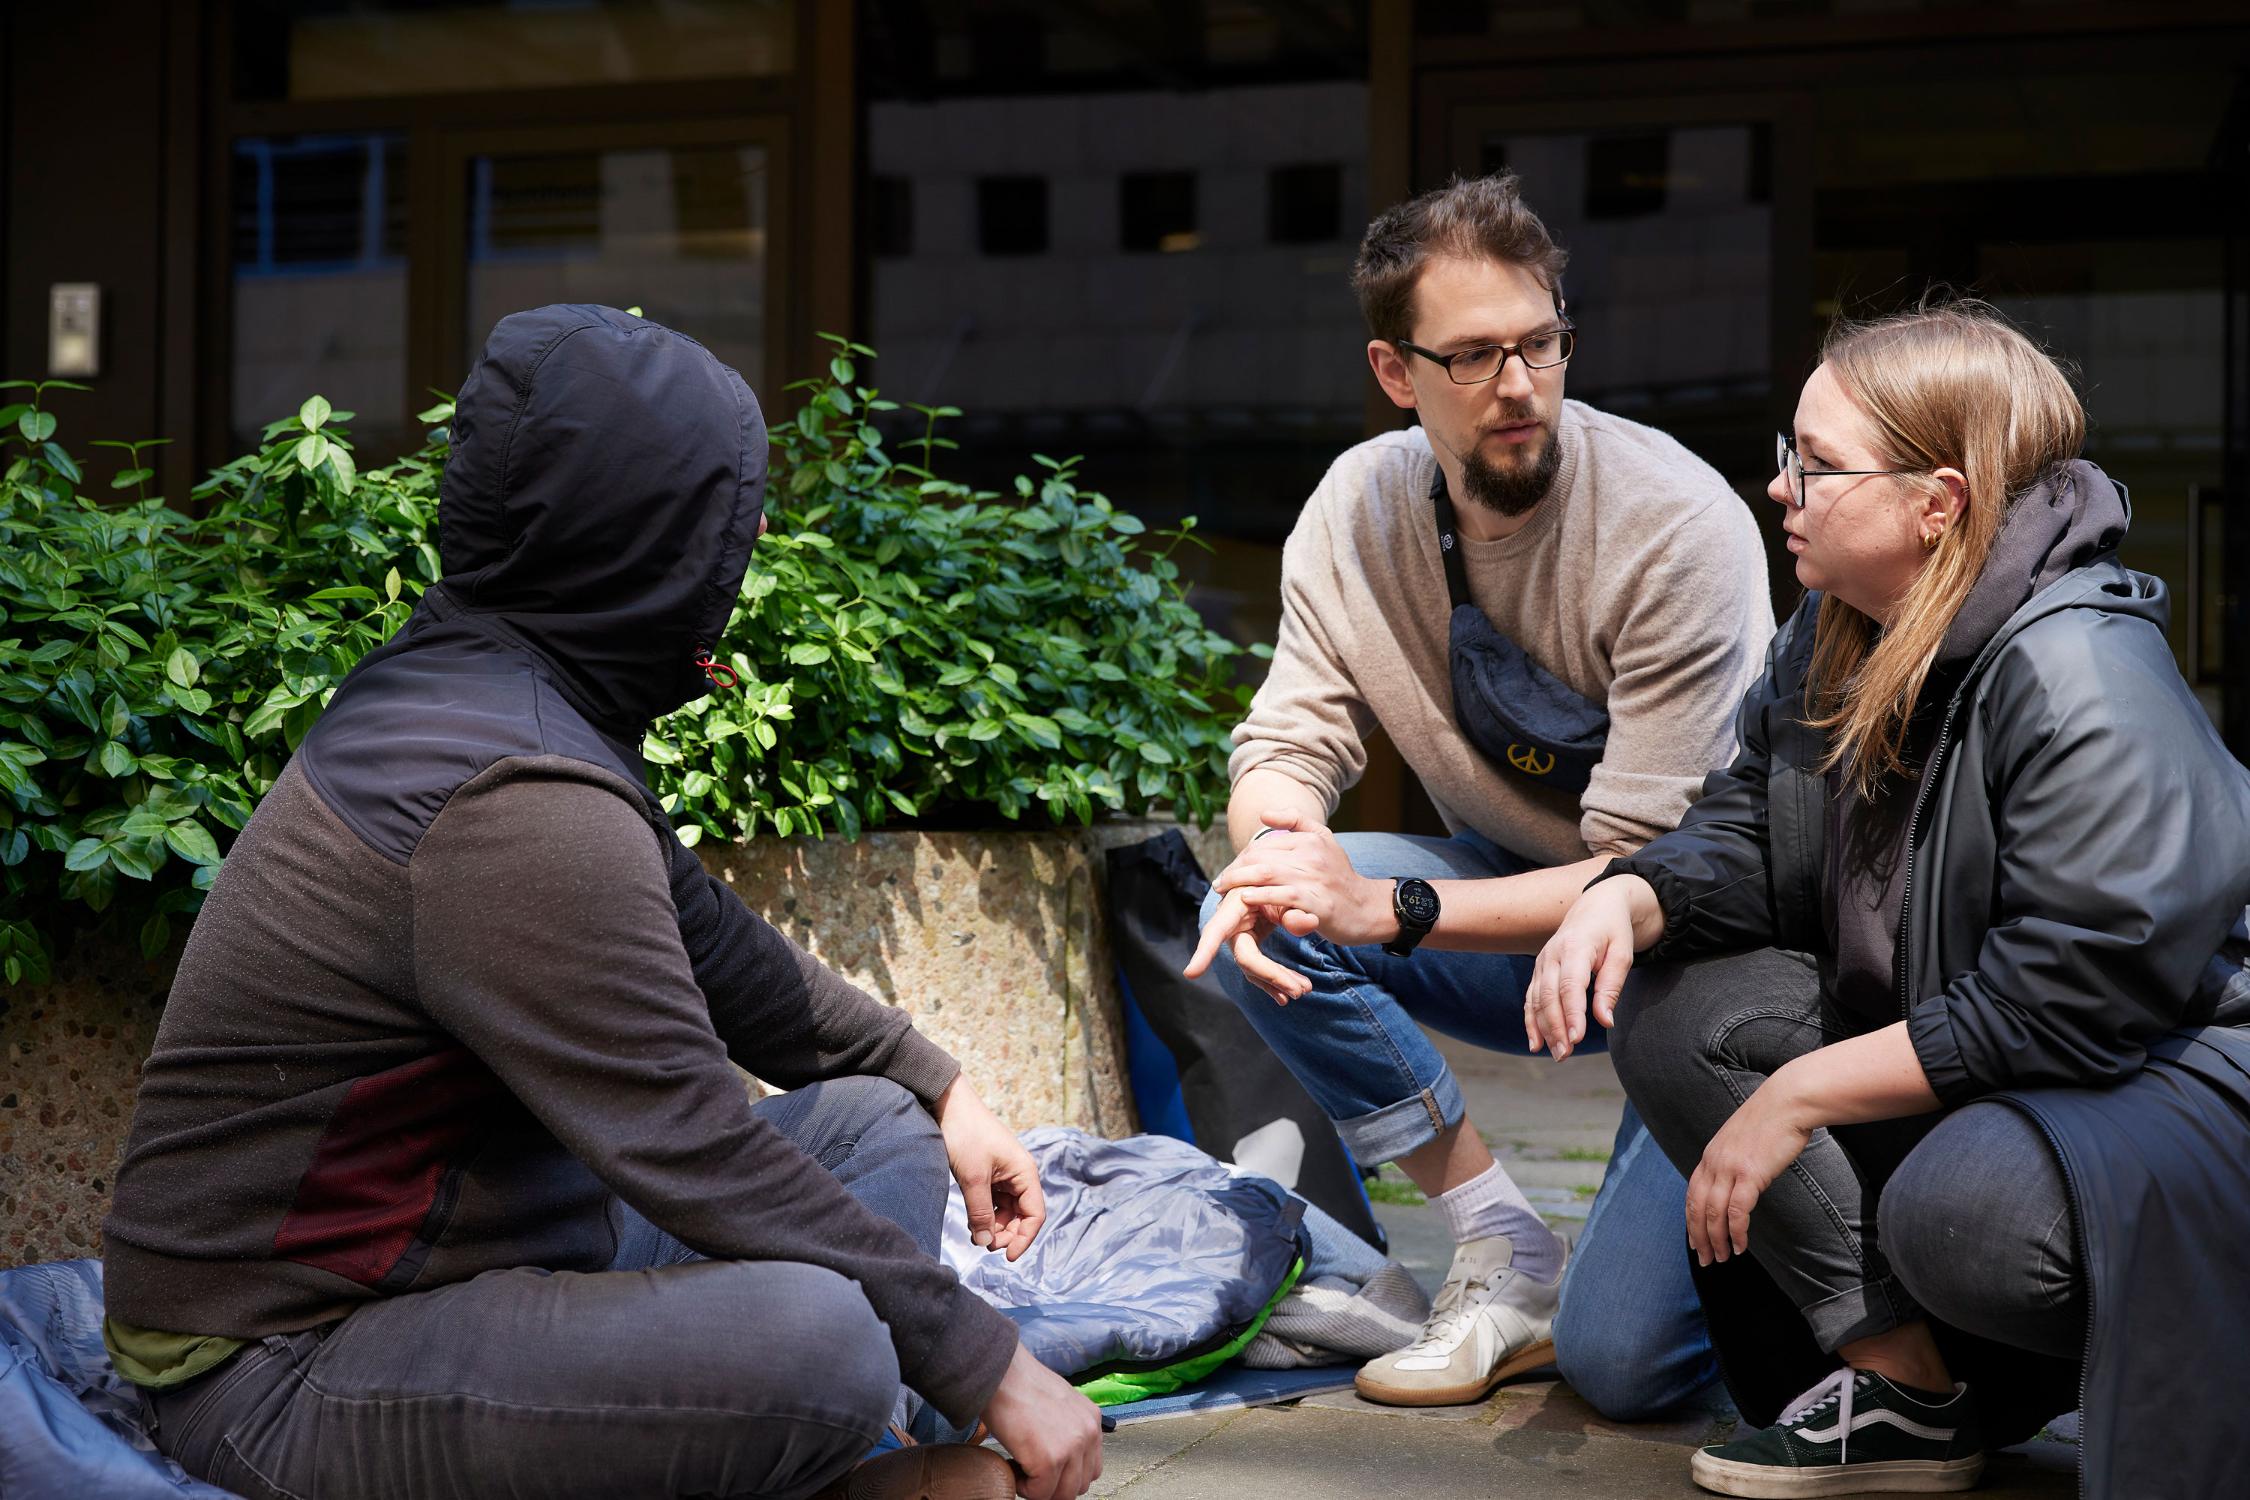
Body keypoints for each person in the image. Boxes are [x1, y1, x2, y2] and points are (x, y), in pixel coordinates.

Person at [99, 305, 1104, 1500]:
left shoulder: (497, 690)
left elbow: (732, 962)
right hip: (284, 1363)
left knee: (874, 1123)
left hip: (488, 1257)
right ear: (638, 537)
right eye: (724, 522)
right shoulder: (506, 791)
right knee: (822, 1338)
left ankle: (841, 1458)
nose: (747, 547)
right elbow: (687, 1136)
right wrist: (991, 1359)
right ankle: (847, 1454)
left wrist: (945, 1085)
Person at [1532, 301, 2250, 1498]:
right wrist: (1630, 896)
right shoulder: (1842, 624)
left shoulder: (2082, 670)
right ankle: (1910, 1391)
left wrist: (1803, 1093)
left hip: (2170, 1083)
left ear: (1941, 502)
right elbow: (1757, 830)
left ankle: (2116, 1348)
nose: (1782, 489)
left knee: (1961, 1213)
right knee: (1679, 1008)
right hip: (1997, 1056)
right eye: (1788, 453)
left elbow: (2073, 1000)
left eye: (1816, 465)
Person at [1183, 172, 1775, 1418]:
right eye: (1471, 357)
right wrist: (1284, 861)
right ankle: (1502, 1243)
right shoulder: (1358, 509)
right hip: (1522, 910)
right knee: (1269, 904)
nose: (1517, 384)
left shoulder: (1672, 526)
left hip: (1708, 953)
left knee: (1628, 1367)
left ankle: (1788, 1223)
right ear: (1396, 374)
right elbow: (1288, 744)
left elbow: (1651, 871)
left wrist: (1381, 905)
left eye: (1540, 342)